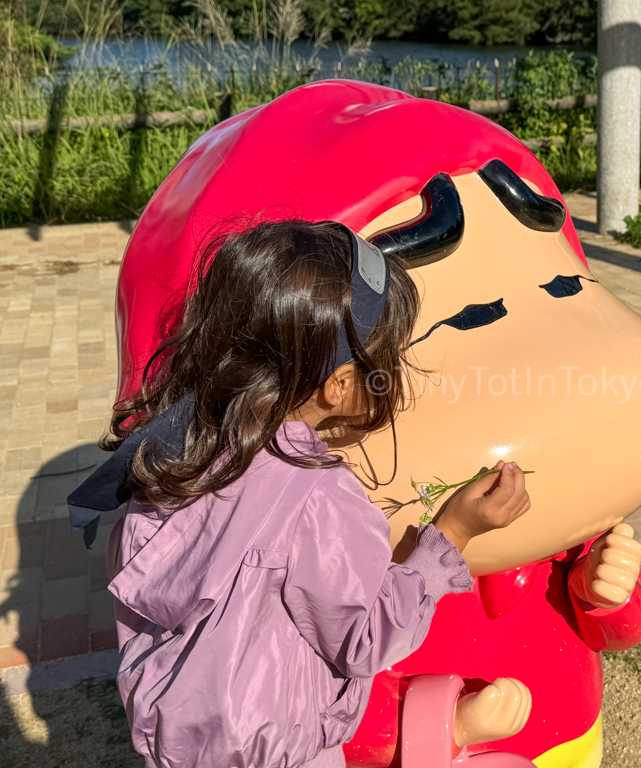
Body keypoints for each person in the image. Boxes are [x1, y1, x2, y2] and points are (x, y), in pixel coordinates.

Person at [70, 220, 531, 767]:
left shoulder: (171, 452)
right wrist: (454, 532)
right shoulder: (318, 495)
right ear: (339, 384)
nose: (396, 373)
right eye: (388, 361)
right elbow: (362, 639)